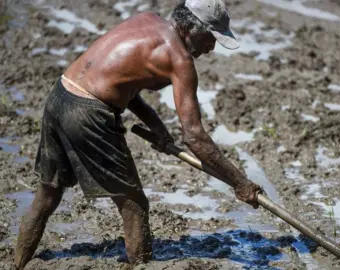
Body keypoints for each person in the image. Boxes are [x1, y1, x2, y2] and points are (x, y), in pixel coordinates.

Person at [14, 0, 263, 269]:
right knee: (134, 204)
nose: (211, 47)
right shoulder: (179, 59)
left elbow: (120, 79)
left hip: (61, 94)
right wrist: (241, 183)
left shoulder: (146, 20)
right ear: (192, 28)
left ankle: (17, 264)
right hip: (87, 112)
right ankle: (140, 264)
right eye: (211, 38)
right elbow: (194, 136)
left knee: (47, 196)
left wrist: (156, 125)